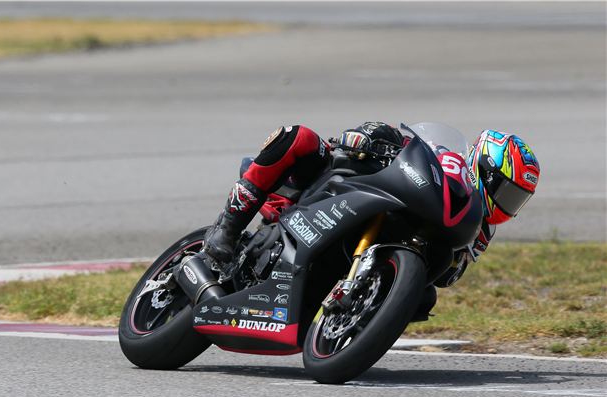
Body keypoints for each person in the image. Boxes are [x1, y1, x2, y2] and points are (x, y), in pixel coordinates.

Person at [203, 122, 541, 288]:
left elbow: (447, 279)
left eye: (517, 201)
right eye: (508, 193)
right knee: (299, 136)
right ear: (485, 169)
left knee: (424, 299)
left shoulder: (480, 230)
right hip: (341, 183)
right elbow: (399, 139)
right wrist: (367, 136)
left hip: (372, 254)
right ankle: (228, 227)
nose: (509, 206)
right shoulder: (446, 161)